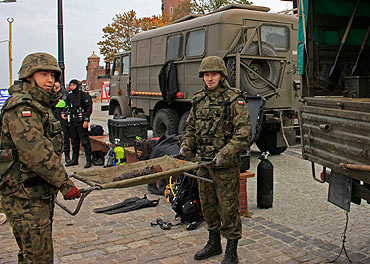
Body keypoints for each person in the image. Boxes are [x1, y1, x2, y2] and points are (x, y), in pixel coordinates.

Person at [0, 52, 81, 263]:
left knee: (31, 255)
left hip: (36, 192)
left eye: (53, 76)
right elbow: (35, 152)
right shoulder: (22, 107)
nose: (50, 80)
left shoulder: (39, 105)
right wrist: (64, 183)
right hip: (24, 197)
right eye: (43, 74)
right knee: (39, 258)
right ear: (29, 76)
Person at [180, 56, 252, 264]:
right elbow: (191, 127)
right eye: (206, 75)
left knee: (229, 208)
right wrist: (186, 145)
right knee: (208, 205)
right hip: (203, 163)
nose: (210, 78)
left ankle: (232, 250)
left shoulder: (233, 99)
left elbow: (244, 133)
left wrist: (225, 154)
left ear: (222, 76)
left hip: (225, 165)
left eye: (214, 74)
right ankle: (214, 243)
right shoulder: (198, 99)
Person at [62, 79, 93, 168]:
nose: (72, 87)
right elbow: (66, 106)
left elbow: (88, 108)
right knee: (74, 142)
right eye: (70, 85)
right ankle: (74, 160)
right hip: (72, 121)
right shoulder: (69, 96)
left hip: (81, 121)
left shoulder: (83, 96)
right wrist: (64, 113)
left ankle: (88, 160)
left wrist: (86, 120)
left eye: (73, 85)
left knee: (85, 141)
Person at [52, 81, 71, 164]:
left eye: (56, 82)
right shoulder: (50, 93)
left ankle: (67, 156)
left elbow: (63, 104)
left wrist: (56, 103)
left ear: (59, 83)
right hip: (53, 116)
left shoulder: (64, 93)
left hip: (62, 116)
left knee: (65, 137)